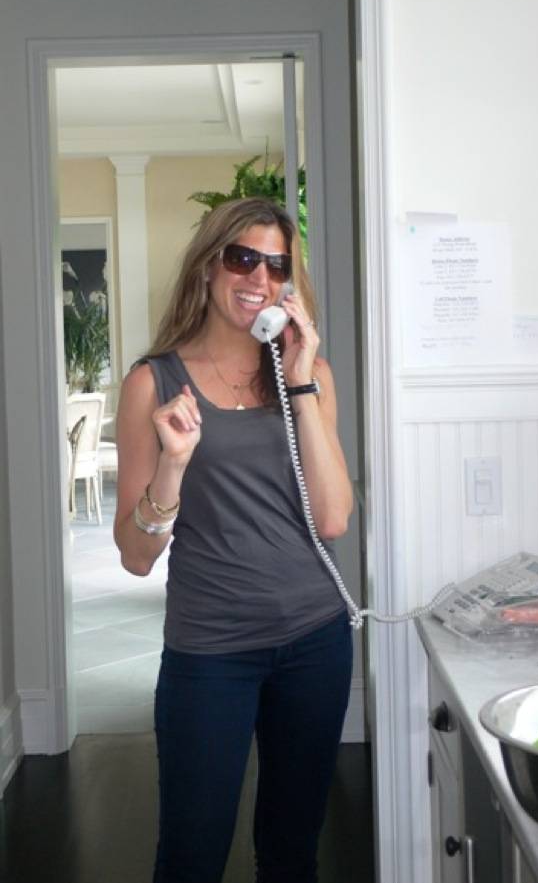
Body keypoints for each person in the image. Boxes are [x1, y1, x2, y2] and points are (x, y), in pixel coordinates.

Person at [114, 196, 354, 883]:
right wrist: (173, 465)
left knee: (292, 853)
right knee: (191, 856)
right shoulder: (153, 382)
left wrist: (300, 382)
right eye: (243, 257)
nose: (259, 277)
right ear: (208, 266)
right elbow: (135, 555)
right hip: (210, 650)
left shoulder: (309, 377)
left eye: (277, 266)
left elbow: (333, 519)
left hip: (315, 640)